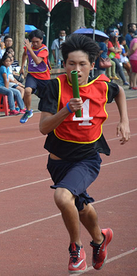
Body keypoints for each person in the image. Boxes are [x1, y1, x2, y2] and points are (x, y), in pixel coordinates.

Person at [37, 34, 130, 273]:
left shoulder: (101, 85)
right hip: (58, 161)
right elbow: (44, 128)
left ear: (91, 65)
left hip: (87, 159)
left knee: (62, 197)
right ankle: (100, 239)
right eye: (71, 64)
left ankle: (76, 249)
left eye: (82, 64)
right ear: (64, 64)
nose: (76, 69)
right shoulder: (55, 87)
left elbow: (119, 91)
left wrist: (124, 121)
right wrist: (67, 109)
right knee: (79, 204)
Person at [20, 29, 50, 124]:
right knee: (27, 90)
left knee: (47, 98)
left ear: (41, 40)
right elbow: (24, 54)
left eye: (37, 42)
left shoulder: (44, 50)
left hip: (44, 77)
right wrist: (22, 67)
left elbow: (37, 61)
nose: (35, 44)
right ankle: (28, 111)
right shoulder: (29, 47)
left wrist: (29, 49)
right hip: (32, 75)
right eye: (33, 42)